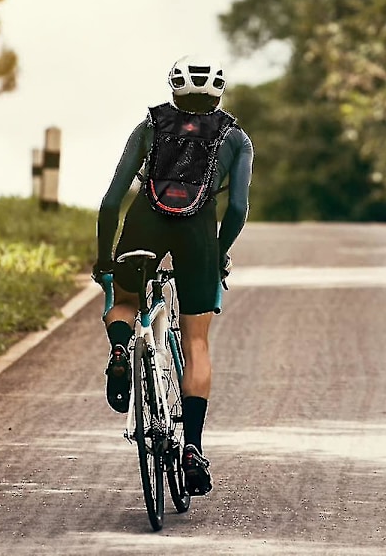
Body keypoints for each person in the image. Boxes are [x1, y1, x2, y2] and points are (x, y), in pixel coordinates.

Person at [92, 54, 253, 496]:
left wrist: (105, 258)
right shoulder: (235, 138)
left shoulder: (149, 127)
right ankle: (192, 450)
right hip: (198, 236)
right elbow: (237, 209)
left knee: (124, 302)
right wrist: (219, 253)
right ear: (218, 91)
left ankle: (123, 349)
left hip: (144, 224)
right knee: (196, 341)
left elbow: (110, 202)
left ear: (174, 89)